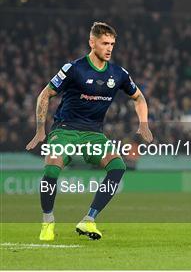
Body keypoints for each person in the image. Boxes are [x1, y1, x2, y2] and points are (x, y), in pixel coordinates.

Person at [26, 22, 153, 241]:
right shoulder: (73, 69)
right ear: (92, 42)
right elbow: (45, 95)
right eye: (105, 43)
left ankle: (89, 219)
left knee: (118, 166)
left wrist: (143, 123)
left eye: (112, 44)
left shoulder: (119, 74)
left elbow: (138, 97)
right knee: (51, 170)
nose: (109, 48)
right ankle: (47, 222)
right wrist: (40, 129)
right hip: (65, 130)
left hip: (93, 134)